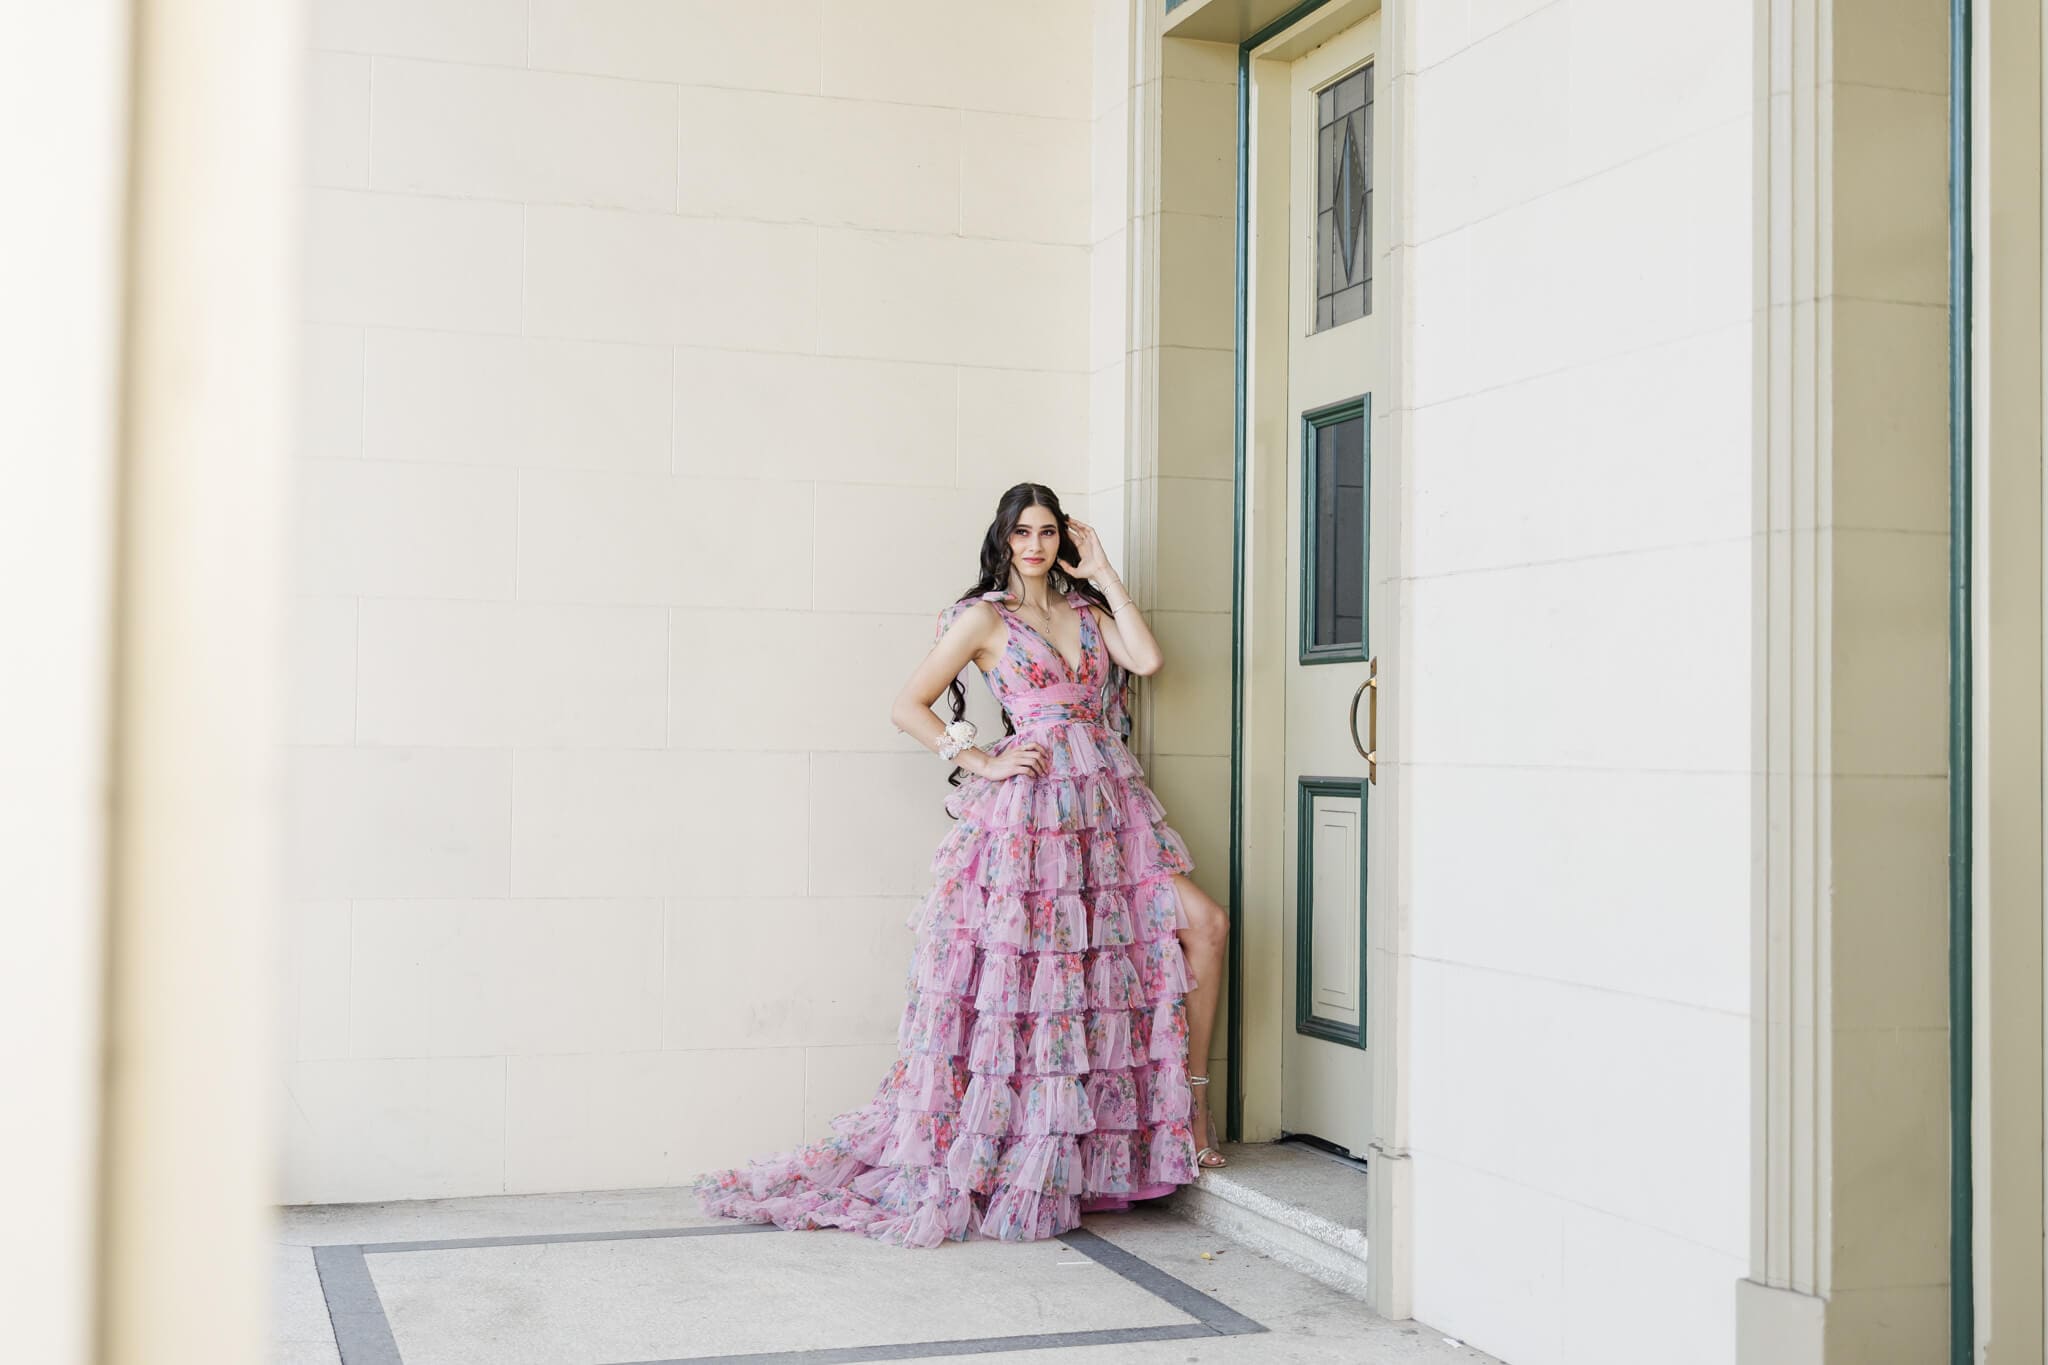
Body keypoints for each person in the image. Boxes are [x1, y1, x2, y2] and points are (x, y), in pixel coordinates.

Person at [693, 483, 1231, 1247]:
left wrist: (1104, 568)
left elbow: (1145, 658)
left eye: (1048, 532)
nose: (1037, 545)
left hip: (1112, 813)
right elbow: (908, 703)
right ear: (1004, 540)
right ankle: (1044, 1154)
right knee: (1047, 979)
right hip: (1033, 814)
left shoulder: (1085, 612)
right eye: (1023, 532)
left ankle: (1192, 1109)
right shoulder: (985, 618)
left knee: (1205, 925)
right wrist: (980, 757)